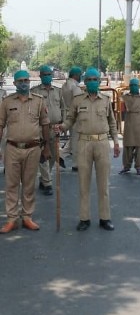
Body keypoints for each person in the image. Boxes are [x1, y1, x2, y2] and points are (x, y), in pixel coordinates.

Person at [57, 67, 121, 231]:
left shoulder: (106, 100)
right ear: (85, 82)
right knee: (83, 183)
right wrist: (61, 127)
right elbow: (70, 119)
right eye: (89, 80)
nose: (92, 82)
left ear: (99, 82)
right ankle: (84, 218)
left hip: (102, 143)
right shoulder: (78, 100)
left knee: (103, 183)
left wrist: (116, 142)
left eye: (95, 80)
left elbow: (112, 123)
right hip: (84, 144)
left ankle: (104, 218)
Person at [0, 70, 51, 233]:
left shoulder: (39, 101)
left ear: (29, 82)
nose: (24, 83)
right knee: (12, 184)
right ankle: (12, 219)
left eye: (26, 80)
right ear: (14, 84)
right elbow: (0, 125)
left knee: (30, 184)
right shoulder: (7, 102)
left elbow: (45, 124)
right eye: (20, 81)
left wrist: (47, 147)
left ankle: (27, 217)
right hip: (12, 148)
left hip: (33, 149)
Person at [31, 65, 64, 196]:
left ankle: (43, 179)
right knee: (42, 155)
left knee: (52, 156)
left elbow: (63, 108)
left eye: (49, 74)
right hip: (40, 129)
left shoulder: (58, 91)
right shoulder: (34, 91)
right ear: (40, 76)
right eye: (44, 74)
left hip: (55, 128)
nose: (47, 77)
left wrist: (63, 125)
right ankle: (48, 183)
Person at [120, 78, 140, 175]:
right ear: (129, 86)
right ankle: (126, 166)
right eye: (132, 85)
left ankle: (138, 166)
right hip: (129, 122)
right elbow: (124, 109)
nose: (134, 87)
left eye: (135, 85)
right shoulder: (125, 97)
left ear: (139, 86)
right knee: (128, 145)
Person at [60, 66, 84, 170]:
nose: (80, 77)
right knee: (76, 139)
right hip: (75, 115)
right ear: (76, 75)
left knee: (73, 137)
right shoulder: (75, 87)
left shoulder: (65, 85)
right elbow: (78, 102)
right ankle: (76, 164)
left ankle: (61, 154)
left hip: (67, 113)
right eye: (80, 75)